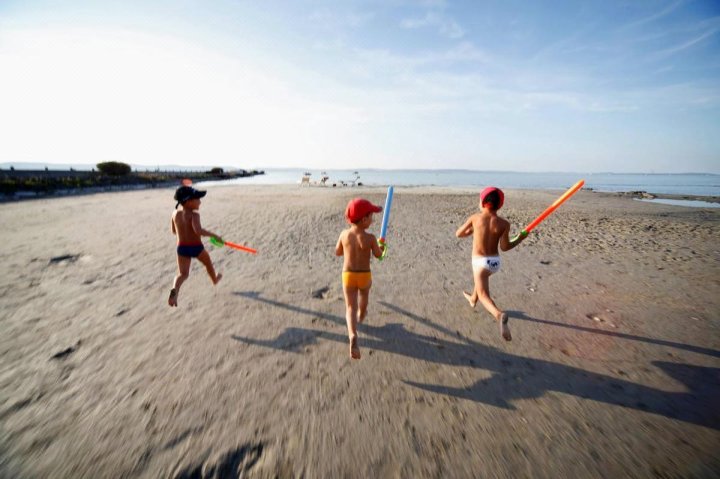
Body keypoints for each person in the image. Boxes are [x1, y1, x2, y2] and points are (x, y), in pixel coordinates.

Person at [455, 187, 527, 340]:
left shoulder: (475, 218)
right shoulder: (504, 223)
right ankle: (472, 299)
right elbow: (505, 247)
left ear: (482, 202)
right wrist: (519, 238)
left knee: (483, 294)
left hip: (479, 262)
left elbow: (458, 234)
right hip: (494, 263)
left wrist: (472, 231)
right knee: (480, 281)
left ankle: (498, 315)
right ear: (499, 205)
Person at [335, 198, 385, 359]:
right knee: (363, 296)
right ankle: (362, 314)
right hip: (364, 275)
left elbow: (338, 252)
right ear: (364, 219)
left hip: (348, 275)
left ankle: (352, 335)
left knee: (350, 306)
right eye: (371, 216)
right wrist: (383, 246)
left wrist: (347, 248)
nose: (373, 219)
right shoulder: (370, 238)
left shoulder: (344, 234)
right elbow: (379, 256)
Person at [168, 186, 223, 307]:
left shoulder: (174, 214)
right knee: (208, 263)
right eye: (197, 199)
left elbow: (173, 231)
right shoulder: (194, 215)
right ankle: (214, 280)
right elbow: (198, 231)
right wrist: (214, 236)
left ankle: (174, 290)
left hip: (181, 248)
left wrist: (183, 231)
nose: (200, 202)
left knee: (183, 274)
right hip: (196, 247)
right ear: (188, 201)